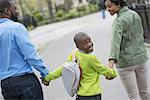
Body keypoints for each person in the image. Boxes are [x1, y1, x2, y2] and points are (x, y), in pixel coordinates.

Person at [43, 32, 117, 100]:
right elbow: (103, 70)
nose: (89, 44)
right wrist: (113, 73)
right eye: (85, 44)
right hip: (93, 94)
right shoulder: (91, 58)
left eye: (89, 41)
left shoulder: (74, 54)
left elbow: (62, 69)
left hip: (80, 95)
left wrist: (48, 78)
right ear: (78, 46)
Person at [0, 0, 49, 100]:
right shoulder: (16, 28)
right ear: (7, 11)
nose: (17, 11)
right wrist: (45, 73)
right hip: (25, 82)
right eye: (15, 8)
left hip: (5, 85)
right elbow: (30, 55)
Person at [104, 0, 150, 100]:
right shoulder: (135, 15)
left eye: (109, 6)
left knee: (133, 96)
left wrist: (110, 67)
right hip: (141, 60)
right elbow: (141, 36)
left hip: (126, 64)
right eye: (106, 7)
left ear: (118, 4)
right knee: (145, 92)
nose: (107, 9)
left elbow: (115, 45)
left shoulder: (118, 22)